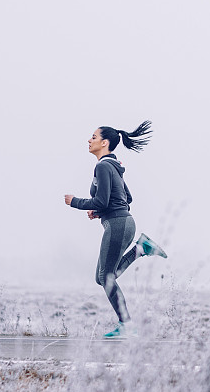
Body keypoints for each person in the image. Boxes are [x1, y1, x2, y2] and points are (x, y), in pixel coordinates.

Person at [64, 121, 168, 339]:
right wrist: (100, 212)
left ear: (104, 142)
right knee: (101, 277)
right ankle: (140, 248)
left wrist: (76, 202)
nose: (89, 140)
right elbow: (126, 198)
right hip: (121, 223)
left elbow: (101, 200)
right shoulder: (112, 166)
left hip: (118, 224)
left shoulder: (103, 166)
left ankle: (127, 325)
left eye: (93, 137)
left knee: (106, 278)